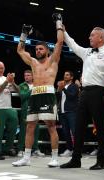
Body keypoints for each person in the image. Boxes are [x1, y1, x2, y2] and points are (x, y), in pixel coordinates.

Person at [60, 26, 104, 170]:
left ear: (101, 38)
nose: (89, 38)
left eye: (92, 35)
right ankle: (75, 159)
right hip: (84, 93)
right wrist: (63, 29)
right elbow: (72, 43)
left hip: (100, 93)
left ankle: (101, 161)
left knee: (100, 127)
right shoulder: (87, 52)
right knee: (78, 127)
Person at [12, 13, 64, 167]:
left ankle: (54, 157)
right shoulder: (33, 62)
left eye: (41, 49)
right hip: (35, 94)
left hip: (48, 93)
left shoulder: (53, 60)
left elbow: (60, 42)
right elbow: (20, 51)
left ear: (47, 50)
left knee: (51, 126)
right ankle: (26, 157)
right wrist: (24, 33)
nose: (38, 51)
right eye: (36, 49)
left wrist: (59, 22)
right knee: (30, 126)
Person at [0, 61, 18, 160]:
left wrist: (12, 81)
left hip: (9, 108)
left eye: (2, 68)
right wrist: (7, 81)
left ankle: (7, 148)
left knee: (14, 127)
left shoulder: (7, 78)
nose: (1, 70)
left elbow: (18, 91)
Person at [16, 70, 44, 157]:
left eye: (28, 75)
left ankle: (35, 149)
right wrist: (32, 89)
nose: (26, 77)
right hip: (26, 110)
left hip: (36, 109)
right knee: (24, 130)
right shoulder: (22, 85)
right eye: (25, 75)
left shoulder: (38, 84)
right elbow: (23, 97)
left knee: (36, 130)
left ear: (32, 76)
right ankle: (20, 149)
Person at [56, 71, 79, 157]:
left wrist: (63, 89)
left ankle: (77, 150)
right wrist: (59, 89)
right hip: (62, 112)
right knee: (65, 132)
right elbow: (57, 97)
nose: (65, 76)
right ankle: (69, 149)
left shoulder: (74, 86)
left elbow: (72, 96)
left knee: (74, 131)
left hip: (71, 111)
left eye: (67, 75)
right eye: (64, 74)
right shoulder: (62, 86)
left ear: (71, 77)